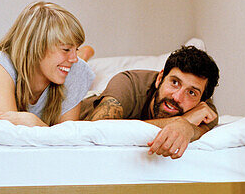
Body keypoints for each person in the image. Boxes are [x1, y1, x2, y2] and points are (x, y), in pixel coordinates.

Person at [80, 43, 220, 159]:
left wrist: (188, 129)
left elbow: (200, 130)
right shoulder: (127, 82)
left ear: (203, 100)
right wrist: (181, 122)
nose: (177, 97)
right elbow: (98, 129)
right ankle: (82, 58)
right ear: (160, 79)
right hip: (84, 103)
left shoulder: (204, 111)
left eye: (191, 92)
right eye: (175, 82)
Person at [0, 0, 94, 127]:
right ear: (37, 46)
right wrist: (44, 129)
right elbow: (8, 133)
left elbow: (68, 138)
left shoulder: (78, 69)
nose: (74, 59)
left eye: (76, 49)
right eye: (66, 49)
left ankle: (84, 53)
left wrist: (35, 123)